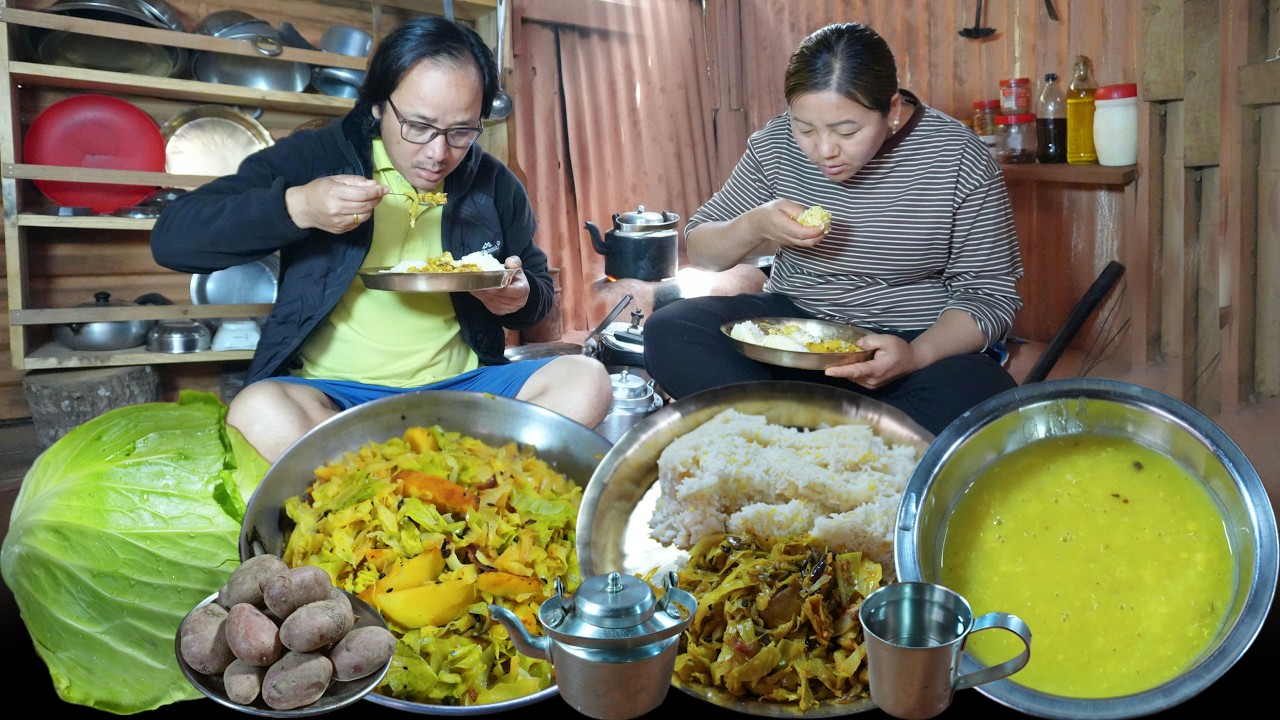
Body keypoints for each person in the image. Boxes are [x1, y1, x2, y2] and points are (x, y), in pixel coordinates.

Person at [152, 16, 612, 461]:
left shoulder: (494, 183)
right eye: (418, 126)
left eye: (461, 131)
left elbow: (538, 292)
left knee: (587, 379)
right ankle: (442, 474)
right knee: (257, 408)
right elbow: (174, 238)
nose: (437, 153)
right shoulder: (316, 157)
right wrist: (298, 207)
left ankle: (415, 476)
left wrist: (520, 296)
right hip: (336, 396)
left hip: (462, 390)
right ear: (378, 105)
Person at [642, 22, 1024, 436]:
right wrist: (755, 224)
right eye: (805, 129)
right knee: (671, 329)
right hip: (795, 336)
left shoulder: (957, 156)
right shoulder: (774, 145)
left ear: (892, 110)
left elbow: (989, 294)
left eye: (847, 131)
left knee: (985, 401)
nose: (824, 151)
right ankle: (818, 440)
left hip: (909, 345)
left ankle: (785, 432)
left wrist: (915, 355)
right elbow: (701, 250)